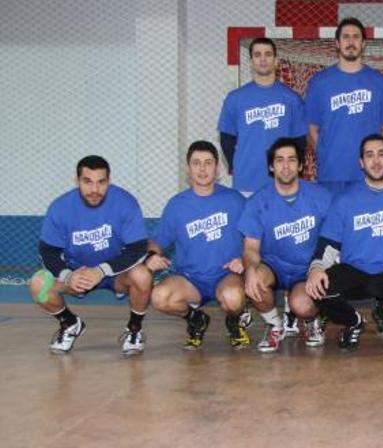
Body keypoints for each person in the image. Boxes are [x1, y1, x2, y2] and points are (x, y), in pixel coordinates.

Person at [305, 134, 383, 351]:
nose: (376, 160)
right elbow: (329, 243)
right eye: (369, 155)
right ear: (361, 162)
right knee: (317, 288)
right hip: (355, 271)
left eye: (381, 154)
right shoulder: (345, 199)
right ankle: (354, 322)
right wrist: (316, 268)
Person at [29, 155, 152, 355]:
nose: (94, 190)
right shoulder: (60, 208)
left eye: (101, 182)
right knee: (38, 283)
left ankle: (134, 329)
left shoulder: (125, 202)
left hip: (115, 274)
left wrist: (102, 271)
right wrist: (68, 275)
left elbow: (137, 249)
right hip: (76, 275)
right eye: (87, 182)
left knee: (142, 275)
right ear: (77, 181)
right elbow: (48, 252)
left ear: (109, 181)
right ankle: (70, 324)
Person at [146, 141, 250, 350]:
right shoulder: (177, 205)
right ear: (188, 168)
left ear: (217, 167)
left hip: (226, 275)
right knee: (160, 297)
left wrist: (244, 260)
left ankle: (235, 320)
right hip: (191, 280)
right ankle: (196, 319)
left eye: (208, 163)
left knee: (233, 298)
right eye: (196, 163)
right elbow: (156, 241)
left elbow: (254, 238)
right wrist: (151, 255)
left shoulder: (235, 200)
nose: (202, 169)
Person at [238, 137, 333, 353]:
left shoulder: (321, 197)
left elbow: (334, 240)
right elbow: (251, 249)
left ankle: (311, 320)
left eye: (292, 160)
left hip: (307, 268)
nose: (286, 165)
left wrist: (322, 268)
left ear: (300, 165)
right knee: (255, 282)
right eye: (279, 160)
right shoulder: (258, 201)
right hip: (275, 265)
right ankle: (274, 324)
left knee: (302, 305)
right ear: (271, 166)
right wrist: (250, 270)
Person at [304, 17, 383, 193]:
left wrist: (376, 161)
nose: (351, 42)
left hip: (368, 174)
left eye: (356, 37)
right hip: (331, 174)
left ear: (363, 44)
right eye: (346, 37)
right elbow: (312, 129)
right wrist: (327, 154)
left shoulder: (379, 82)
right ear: (337, 43)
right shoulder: (319, 82)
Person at [218, 37, 308, 195]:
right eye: (258, 55)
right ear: (251, 61)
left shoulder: (292, 99)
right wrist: (238, 165)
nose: (263, 59)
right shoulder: (235, 98)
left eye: (268, 54)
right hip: (246, 182)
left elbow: (300, 142)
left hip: (282, 184)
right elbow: (226, 139)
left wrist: (289, 172)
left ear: (276, 60)